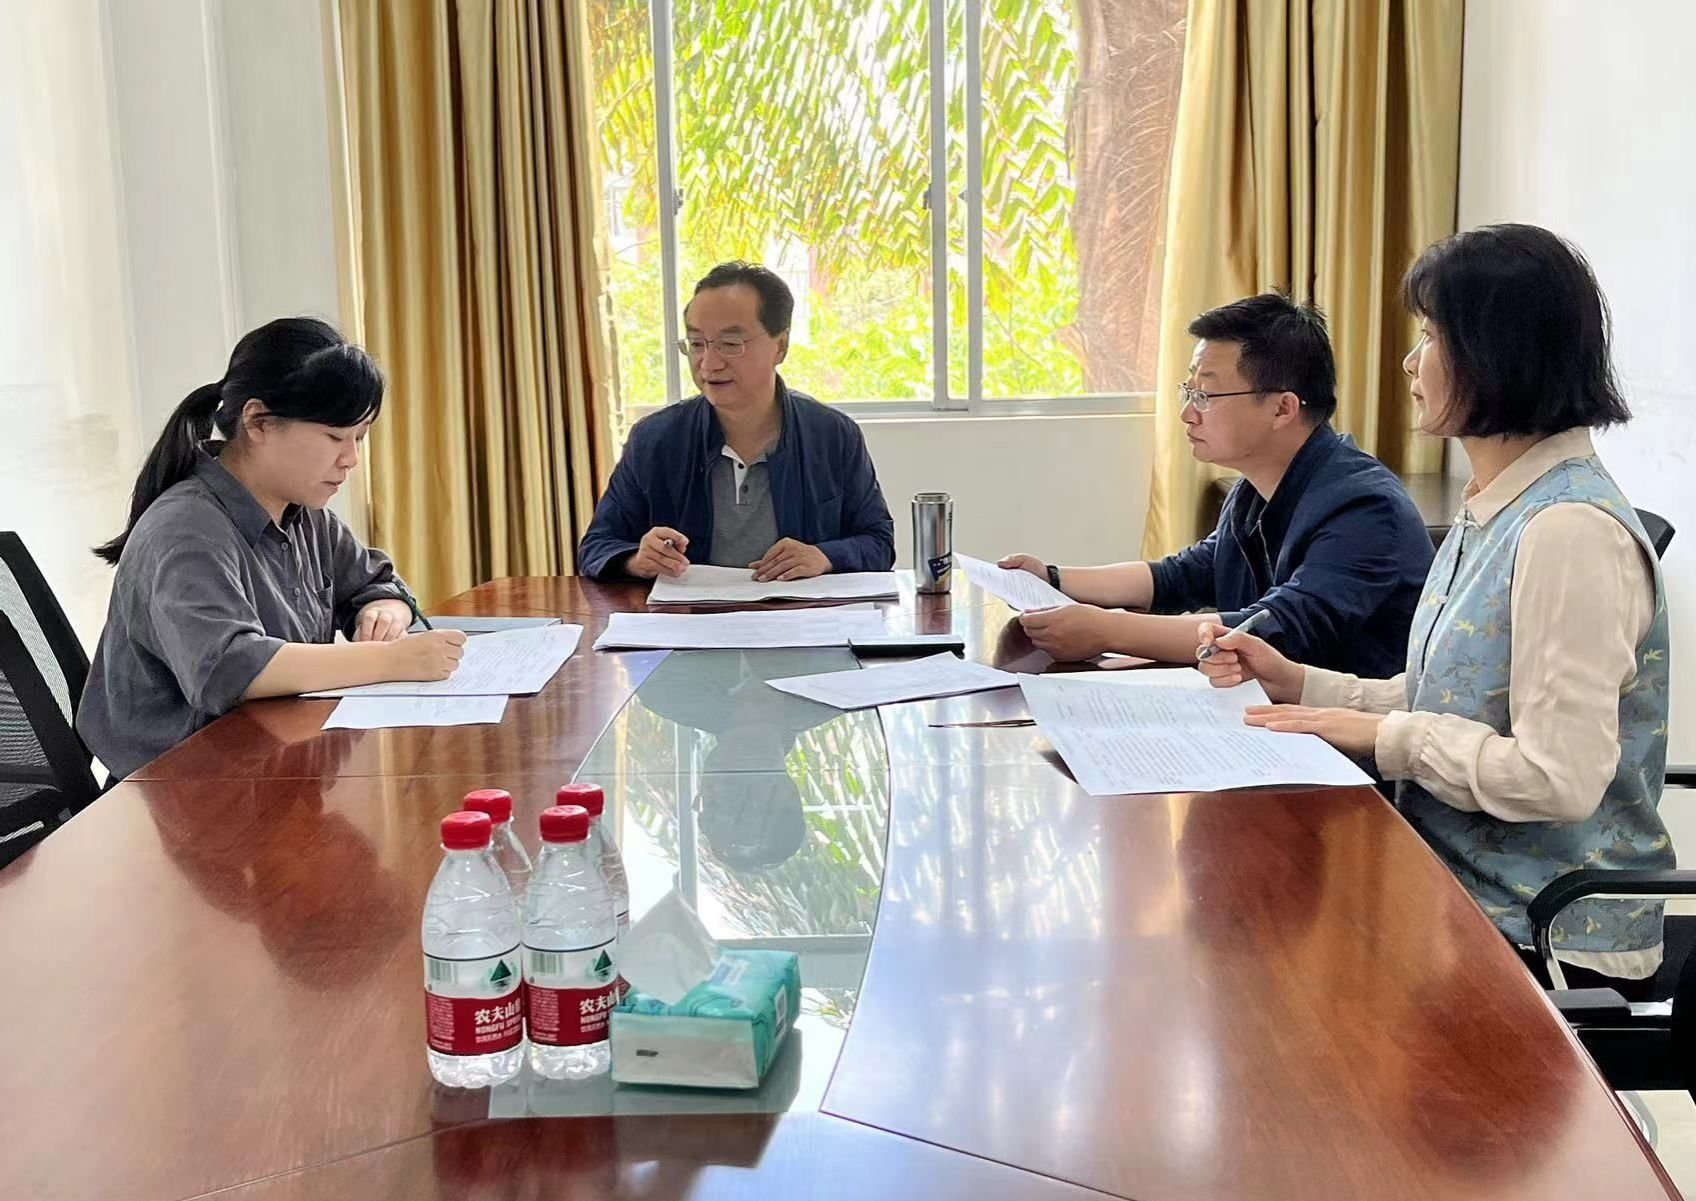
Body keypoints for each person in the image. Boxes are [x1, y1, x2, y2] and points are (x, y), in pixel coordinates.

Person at [1198, 225, 1674, 994]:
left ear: (1496, 352)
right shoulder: (1499, 504)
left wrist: (1387, 738)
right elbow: (1451, 697)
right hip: (1458, 889)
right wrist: (1302, 684)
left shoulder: (1569, 531)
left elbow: (1557, 779)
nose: (1410, 362)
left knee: (1264, 967)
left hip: (1544, 932)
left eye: (1431, 336)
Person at [79, 318, 467, 779]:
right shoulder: (186, 530)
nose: (350, 459)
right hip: (181, 788)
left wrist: (384, 611)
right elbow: (228, 668)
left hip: (272, 766)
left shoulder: (303, 512)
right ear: (258, 422)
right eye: (334, 437)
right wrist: (391, 660)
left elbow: (377, 584)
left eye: (359, 438)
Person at [999, 293, 1432, 674]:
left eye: (1205, 396)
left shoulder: (1365, 507)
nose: (1188, 413)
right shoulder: (1253, 491)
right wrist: (1052, 577)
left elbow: (1275, 629)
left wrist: (1109, 631)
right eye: (1188, 392)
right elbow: (1184, 576)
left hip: (1349, 733)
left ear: (1282, 409)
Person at [577, 262, 896, 582]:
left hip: (800, 610)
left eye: (730, 344)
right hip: (689, 611)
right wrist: (637, 559)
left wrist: (824, 556)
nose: (709, 364)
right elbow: (597, 545)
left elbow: (878, 542)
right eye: (697, 344)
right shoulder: (655, 438)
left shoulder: (832, 435)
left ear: (780, 346)